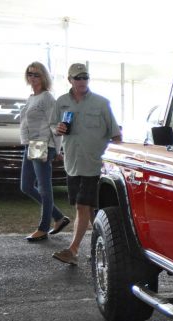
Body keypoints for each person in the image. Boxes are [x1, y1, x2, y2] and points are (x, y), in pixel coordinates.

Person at [51, 63, 121, 265]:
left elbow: (116, 134)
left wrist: (117, 164)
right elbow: (53, 125)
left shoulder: (101, 103)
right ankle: (107, 248)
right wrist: (58, 129)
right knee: (89, 210)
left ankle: (72, 251)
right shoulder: (62, 102)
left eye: (85, 77)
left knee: (83, 206)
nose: (82, 81)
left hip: (95, 164)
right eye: (78, 78)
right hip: (72, 163)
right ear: (70, 80)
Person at [19, 61, 71, 242]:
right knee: (26, 186)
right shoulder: (32, 97)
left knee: (44, 188)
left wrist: (57, 149)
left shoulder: (47, 98)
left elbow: (55, 125)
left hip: (42, 144)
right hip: (30, 144)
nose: (32, 77)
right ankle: (59, 217)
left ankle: (43, 228)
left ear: (43, 77)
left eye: (36, 74)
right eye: (29, 74)